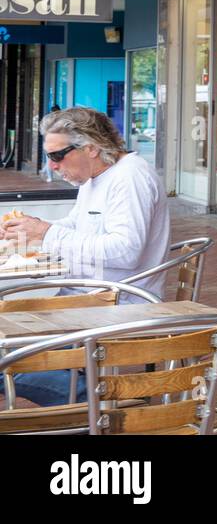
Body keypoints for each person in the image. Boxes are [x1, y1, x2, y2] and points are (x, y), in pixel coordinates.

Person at [1, 107, 171, 407]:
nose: (52, 166)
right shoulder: (96, 177)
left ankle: (102, 400)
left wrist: (46, 233)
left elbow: (125, 250)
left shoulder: (129, 178)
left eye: (57, 156)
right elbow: (74, 226)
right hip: (86, 296)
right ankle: (83, 395)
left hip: (116, 304)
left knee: (7, 354)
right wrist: (30, 229)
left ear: (91, 147)